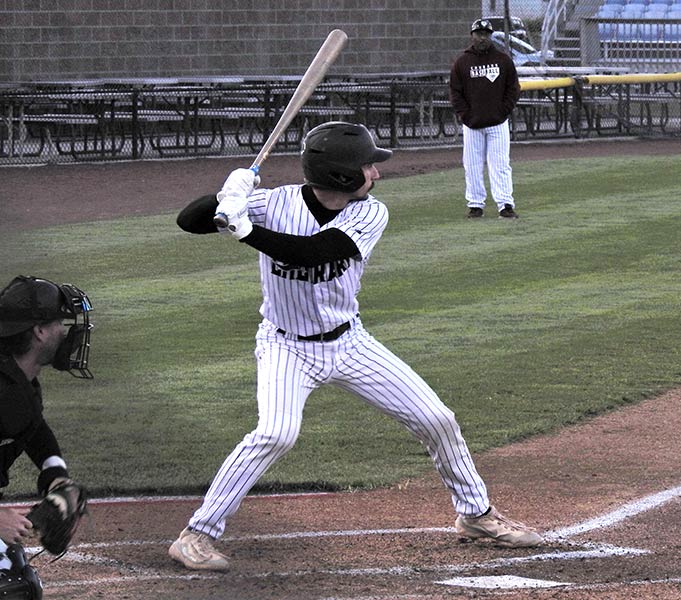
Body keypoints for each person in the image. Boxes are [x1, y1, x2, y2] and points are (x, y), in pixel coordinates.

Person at [168, 121, 543, 572]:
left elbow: (315, 252)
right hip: (286, 347)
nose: (376, 173)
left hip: (349, 344)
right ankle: (197, 534)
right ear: (342, 174)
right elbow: (188, 220)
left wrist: (246, 231)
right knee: (276, 434)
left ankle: (476, 515)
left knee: (437, 418)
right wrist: (228, 194)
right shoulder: (275, 202)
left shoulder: (369, 213)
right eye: (368, 166)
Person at [0, 275, 95, 599]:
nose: (66, 333)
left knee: (15, 570)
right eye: (60, 323)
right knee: (12, 588)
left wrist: (56, 476)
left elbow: (33, 428)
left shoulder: (16, 379)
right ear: (39, 331)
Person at [449, 18, 522, 219]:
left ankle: (505, 204)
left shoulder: (503, 60)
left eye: (486, 34)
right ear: (472, 35)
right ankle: (475, 205)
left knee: (500, 165)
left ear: (490, 36)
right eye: (478, 34)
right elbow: (455, 92)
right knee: (472, 166)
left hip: (498, 123)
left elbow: (513, 89)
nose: (482, 38)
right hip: (472, 125)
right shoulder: (462, 62)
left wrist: (503, 111)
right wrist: (465, 115)